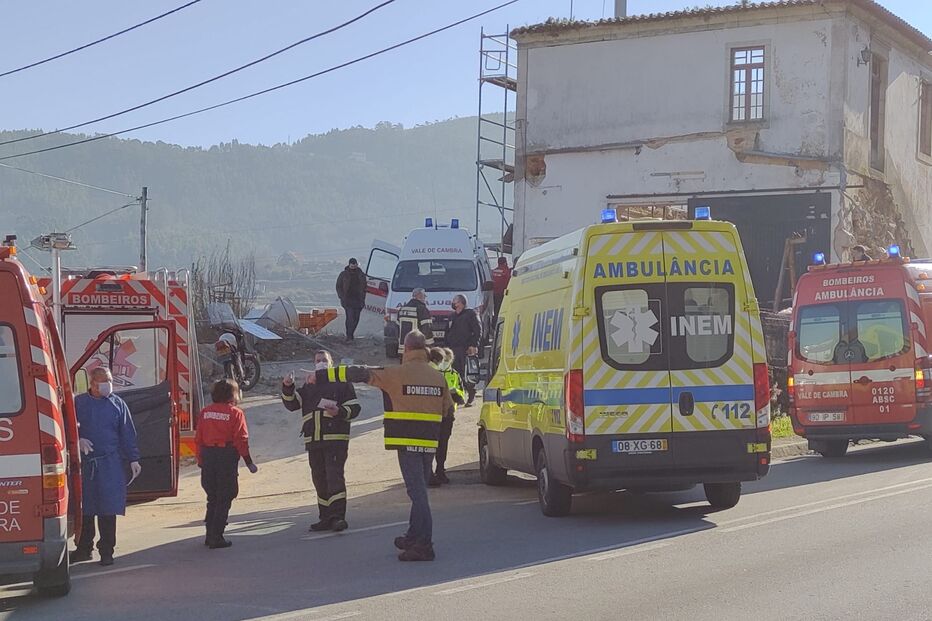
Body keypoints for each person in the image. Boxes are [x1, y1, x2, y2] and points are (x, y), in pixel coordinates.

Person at [308, 331, 452, 561]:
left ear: (406, 349)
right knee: (420, 491)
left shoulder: (396, 374)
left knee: (418, 495)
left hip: (407, 442)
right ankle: (414, 535)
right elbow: (447, 410)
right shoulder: (438, 377)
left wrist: (324, 375)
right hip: (429, 443)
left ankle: (424, 545)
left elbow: (359, 373)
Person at [281, 350, 361, 532]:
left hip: (335, 439)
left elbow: (355, 408)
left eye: (324, 360)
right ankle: (325, 517)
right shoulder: (309, 385)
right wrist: (287, 386)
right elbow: (292, 404)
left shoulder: (341, 383)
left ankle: (338, 517)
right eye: (318, 360)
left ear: (331, 363)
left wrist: (339, 411)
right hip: (314, 440)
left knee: (334, 478)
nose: (321, 363)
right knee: (319, 480)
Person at [71, 368, 141, 566]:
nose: (108, 385)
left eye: (109, 381)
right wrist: (77, 440)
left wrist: (134, 458)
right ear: (92, 383)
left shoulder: (117, 404)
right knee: (86, 507)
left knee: (108, 507)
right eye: (104, 381)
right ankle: (84, 548)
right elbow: (66, 425)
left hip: (110, 462)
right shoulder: (79, 403)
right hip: (86, 463)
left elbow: (127, 433)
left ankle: (107, 550)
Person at [195, 379, 258, 549]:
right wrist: (249, 462)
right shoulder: (235, 413)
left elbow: (199, 438)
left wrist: (201, 460)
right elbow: (241, 440)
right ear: (233, 394)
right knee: (225, 495)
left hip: (208, 456)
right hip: (225, 456)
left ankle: (210, 534)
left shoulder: (205, 412)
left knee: (212, 496)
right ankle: (217, 536)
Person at [428, 347, 465, 487]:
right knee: (431, 444)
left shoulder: (454, 375)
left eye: (448, 360)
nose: (446, 362)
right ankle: (429, 472)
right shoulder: (431, 372)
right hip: (433, 414)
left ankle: (440, 470)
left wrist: (457, 395)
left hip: (448, 415)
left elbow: (463, 393)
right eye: (444, 360)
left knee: (443, 444)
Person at [446, 294, 482, 406]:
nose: (453, 303)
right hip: (453, 349)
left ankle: (471, 393)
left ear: (461, 303)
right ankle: (459, 397)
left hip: (465, 349)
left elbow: (478, 330)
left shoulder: (470, 314)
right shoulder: (452, 316)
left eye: (455, 301)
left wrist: (474, 345)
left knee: (466, 373)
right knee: (455, 374)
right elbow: (448, 332)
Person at [336, 258, 367, 341]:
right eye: (352, 264)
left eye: (354, 264)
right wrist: (341, 296)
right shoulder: (344, 274)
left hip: (358, 300)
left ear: (357, 264)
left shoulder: (361, 274)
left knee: (356, 318)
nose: (353, 266)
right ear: (349, 264)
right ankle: (349, 336)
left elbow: (364, 287)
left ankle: (351, 333)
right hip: (347, 300)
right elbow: (338, 286)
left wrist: (363, 298)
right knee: (350, 318)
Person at [397, 287, 434, 354]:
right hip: (416, 348)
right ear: (419, 295)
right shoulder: (422, 309)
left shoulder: (402, 309)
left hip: (403, 349)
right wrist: (429, 345)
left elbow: (397, 327)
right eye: (424, 296)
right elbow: (427, 328)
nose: (425, 298)